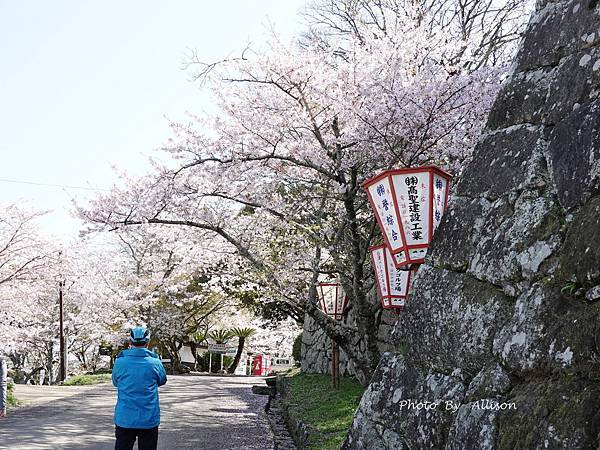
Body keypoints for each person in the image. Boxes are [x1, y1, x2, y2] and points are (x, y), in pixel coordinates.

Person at [112, 327, 167, 450]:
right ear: (148, 343)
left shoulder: (120, 362)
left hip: (125, 417)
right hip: (148, 417)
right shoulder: (155, 362)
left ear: (130, 342)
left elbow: (116, 382)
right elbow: (162, 380)